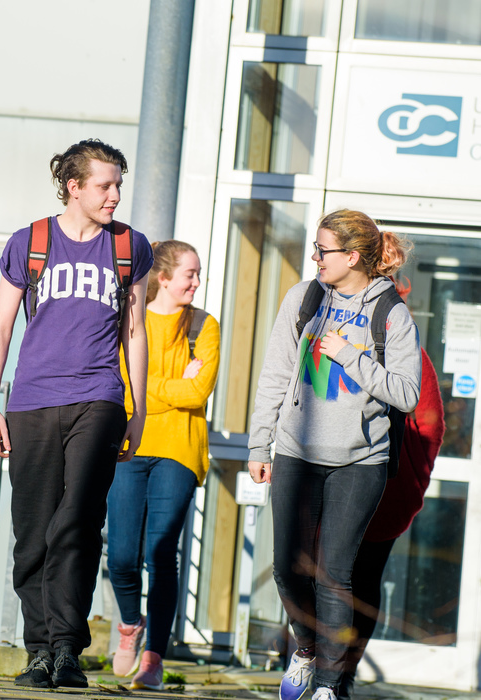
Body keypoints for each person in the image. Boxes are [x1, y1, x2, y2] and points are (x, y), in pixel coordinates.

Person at [0, 139, 153, 689]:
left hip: (99, 397)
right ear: (73, 186)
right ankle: (37, 649)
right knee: (33, 531)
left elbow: (135, 331)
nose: (115, 195)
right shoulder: (29, 243)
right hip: (31, 401)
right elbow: (3, 326)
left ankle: (66, 649)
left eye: (119, 185)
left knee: (78, 521)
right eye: (105, 185)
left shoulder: (131, 248)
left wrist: (138, 408)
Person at [247, 209, 421, 700]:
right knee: (287, 567)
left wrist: (351, 354)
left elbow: (406, 393)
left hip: (360, 461)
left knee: (334, 574)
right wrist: (261, 443)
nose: (315, 257)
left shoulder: (392, 314)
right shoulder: (303, 298)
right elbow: (276, 375)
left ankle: (327, 684)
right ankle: (306, 648)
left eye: (323, 250)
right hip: (297, 452)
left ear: (352, 256)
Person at [106, 240, 220, 691]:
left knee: (160, 553)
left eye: (197, 273)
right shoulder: (129, 320)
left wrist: (151, 387)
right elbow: (122, 386)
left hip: (180, 450)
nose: (196, 281)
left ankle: (154, 656)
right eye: (189, 273)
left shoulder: (203, 326)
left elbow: (198, 393)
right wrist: (173, 383)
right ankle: (130, 624)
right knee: (120, 556)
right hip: (128, 448)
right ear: (164, 277)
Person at [339, 341, 444, 698]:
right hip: (329, 480)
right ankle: (321, 666)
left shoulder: (404, 345)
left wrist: (413, 476)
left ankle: (341, 676)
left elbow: (430, 422)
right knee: (319, 579)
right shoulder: (324, 329)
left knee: (363, 581)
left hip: (385, 489)